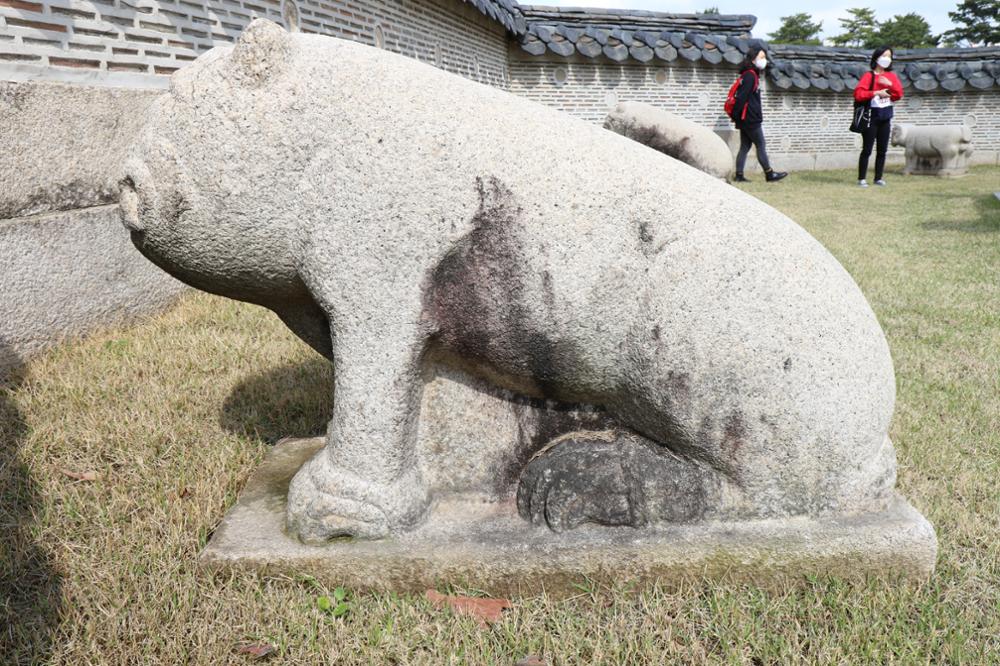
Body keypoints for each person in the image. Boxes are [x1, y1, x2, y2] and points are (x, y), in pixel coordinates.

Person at [732, 46, 787, 183]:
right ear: (753, 59)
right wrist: (736, 115)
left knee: (745, 146)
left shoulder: (748, 74)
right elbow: (742, 97)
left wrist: (737, 117)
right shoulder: (750, 75)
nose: (764, 60)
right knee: (761, 144)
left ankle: (739, 175)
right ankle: (769, 173)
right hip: (750, 118)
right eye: (761, 57)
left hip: (745, 117)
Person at [854, 46, 904, 187]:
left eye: (889, 56)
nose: (887, 59)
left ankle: (878, 178)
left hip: (885, 116)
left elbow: (898, 95)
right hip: (871, 116)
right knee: (867, 149)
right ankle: (862, 178)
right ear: (876, 58)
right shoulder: (868, 76)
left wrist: (890, 85)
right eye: (884, 56)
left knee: (882, 150)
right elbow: (858, 94)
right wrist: (876, 92)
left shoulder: (891, 76)